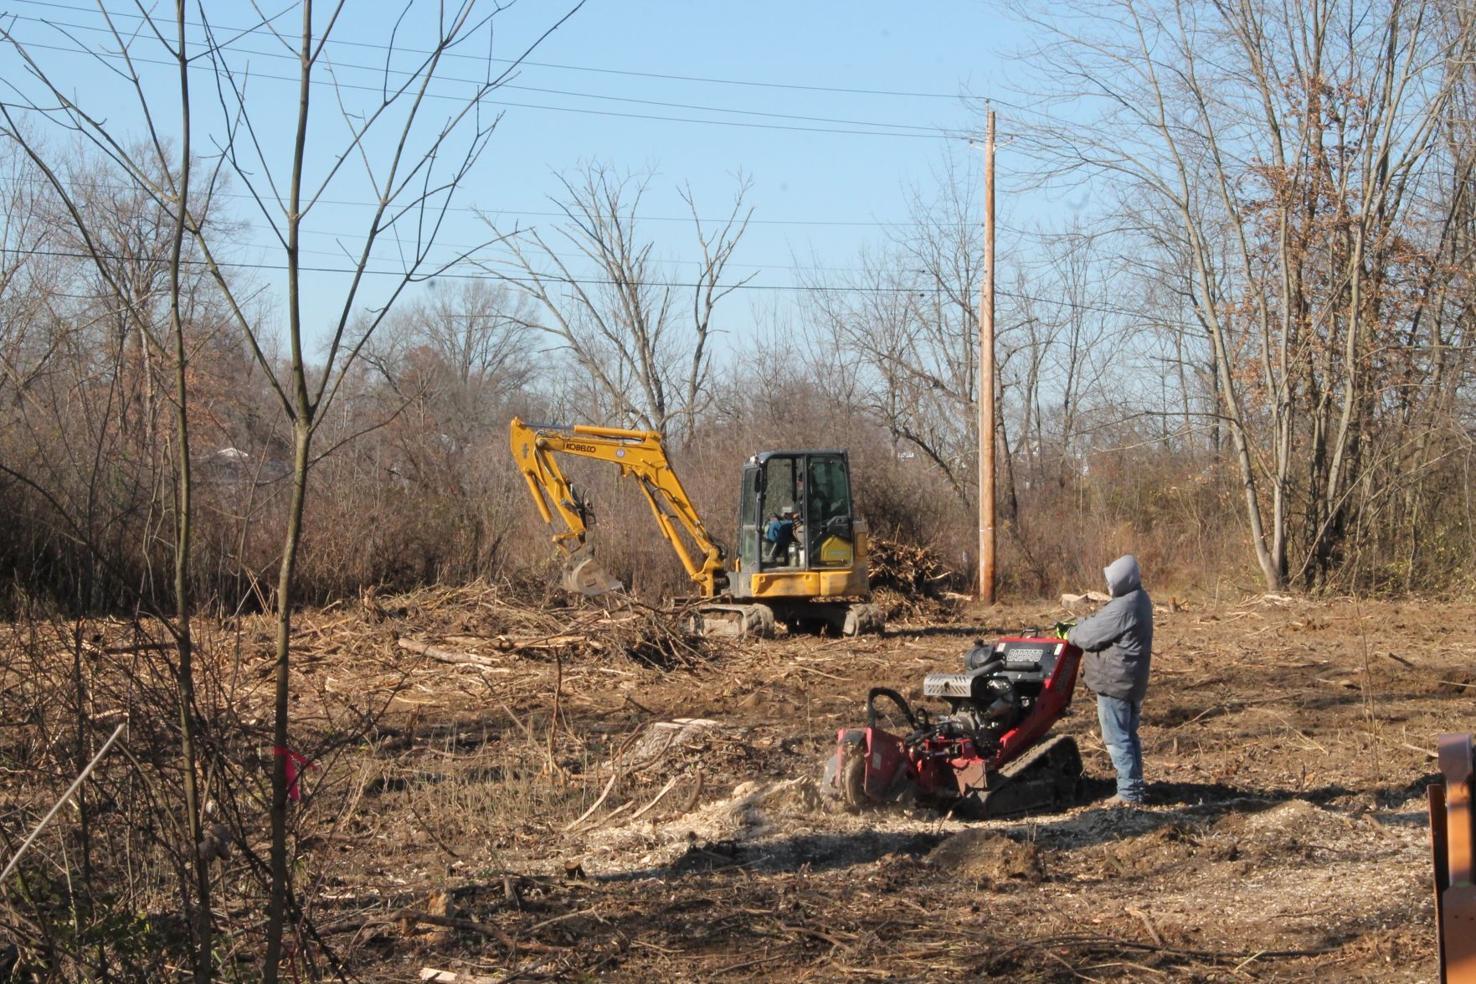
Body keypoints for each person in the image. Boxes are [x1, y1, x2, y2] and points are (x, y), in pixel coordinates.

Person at [1067, 554, 1153, 807]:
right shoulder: (1139, 599)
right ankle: (1134, 787)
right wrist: (1084, 624)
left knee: (1117, 738)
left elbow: (1089, 637)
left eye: (1111, 582)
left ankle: (1129, 792)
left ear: (1122, 581)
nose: (1108, 586)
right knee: (1128, 734)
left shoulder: (1124, 606)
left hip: (1115, 682)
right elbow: (1101, 625)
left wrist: (1068, 631)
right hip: (1130, 680)